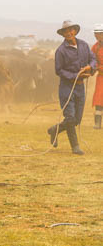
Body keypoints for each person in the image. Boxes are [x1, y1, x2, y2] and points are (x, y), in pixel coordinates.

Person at [48, 20, 97, 155]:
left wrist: (89, 67)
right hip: (67, 88)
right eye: (65, 31)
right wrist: (75, 75)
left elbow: (93, 59)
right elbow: (59, 70)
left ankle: (55, 130)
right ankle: (75, 146)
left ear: (75, 30)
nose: (68, 33)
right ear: (62, 34)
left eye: (70, 30)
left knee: (77, 119)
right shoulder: (60, 51)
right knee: (70, 118)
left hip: (80, 88)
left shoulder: (84, 45)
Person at [92, 24, 103, 129]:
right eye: (95, 34)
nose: (96, 36)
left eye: (98, 34)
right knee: (99, 100)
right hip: (101, 77)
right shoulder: (95, 47)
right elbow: (92, 60)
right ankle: (97, 123)